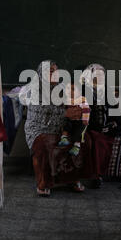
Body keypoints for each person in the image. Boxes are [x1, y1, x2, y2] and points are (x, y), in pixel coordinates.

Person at [23, 60, 86, 197]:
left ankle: (71, 179)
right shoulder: (34, 89)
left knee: (80, 139)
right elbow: (42, 110)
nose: (55, 74)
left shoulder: (61, 88)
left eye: (56, 71)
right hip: (39, 129)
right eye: (51, 71)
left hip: (60, 128)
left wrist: (76, 109)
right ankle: (43, 183)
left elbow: (69, 104)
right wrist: (65, 113)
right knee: (45, 143)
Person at [58, 83, 91, 156]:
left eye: (73, 89)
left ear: (79, 92)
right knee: (66, 124)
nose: (70, 91)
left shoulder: (82, 99)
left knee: (80, 131)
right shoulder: (66, 99)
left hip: (80, 121)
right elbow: (62, 108)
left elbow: (86, 109)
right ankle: (64, 138)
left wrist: (85, 119)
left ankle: (77, 146)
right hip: (70, 119)